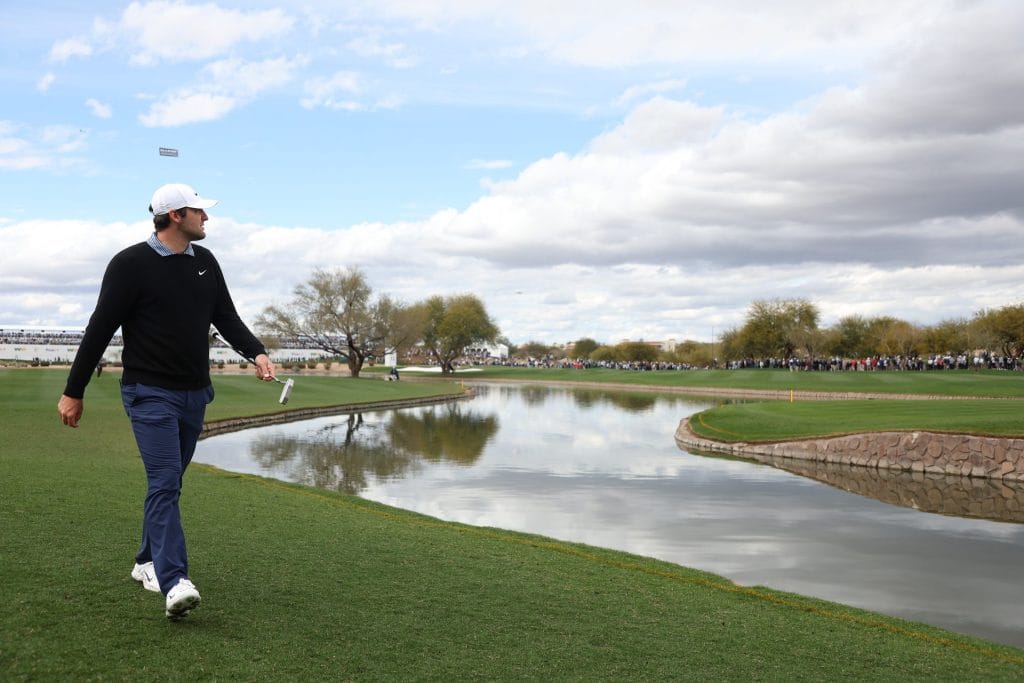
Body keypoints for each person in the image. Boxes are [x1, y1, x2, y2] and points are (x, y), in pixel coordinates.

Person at [57, 183, 276, 621]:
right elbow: (99, 328)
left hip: (195, 393)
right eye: (199, 211)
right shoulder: (130, 264)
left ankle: (145, 562)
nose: (206, 218)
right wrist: (73, 391)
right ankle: (175, 580)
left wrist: (258, 352)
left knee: (169, 484)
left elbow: (226, 316)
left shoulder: (206, 263)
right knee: (163, 480)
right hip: (149, 393)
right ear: (175, 215)